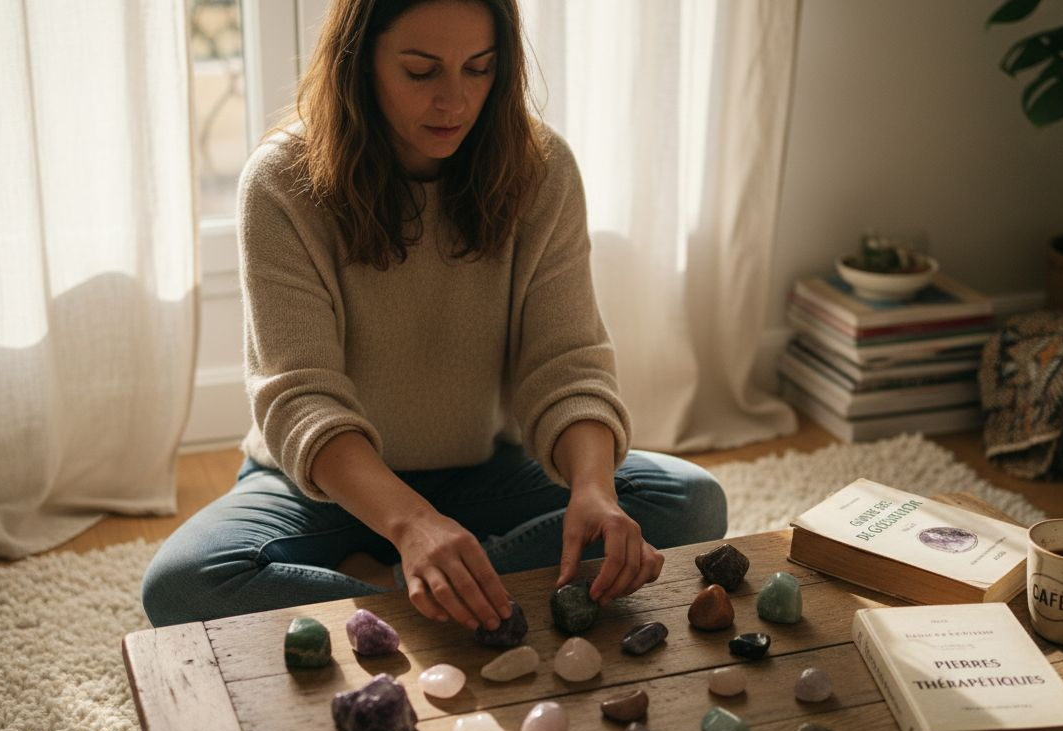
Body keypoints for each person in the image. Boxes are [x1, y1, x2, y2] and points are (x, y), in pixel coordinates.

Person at [141, 0, 727, 630]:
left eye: (479, 69)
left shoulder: (542, 168)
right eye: (422, 72)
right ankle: (441, 586)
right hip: (332, 484)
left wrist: (593, 488)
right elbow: (301, 399)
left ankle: (401, 591)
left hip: (487, 473)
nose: (455, 101)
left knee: (690, 502)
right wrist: (412, 523)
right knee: (184, 584)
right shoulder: (281, 181)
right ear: (359, 64)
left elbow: (566, 361)